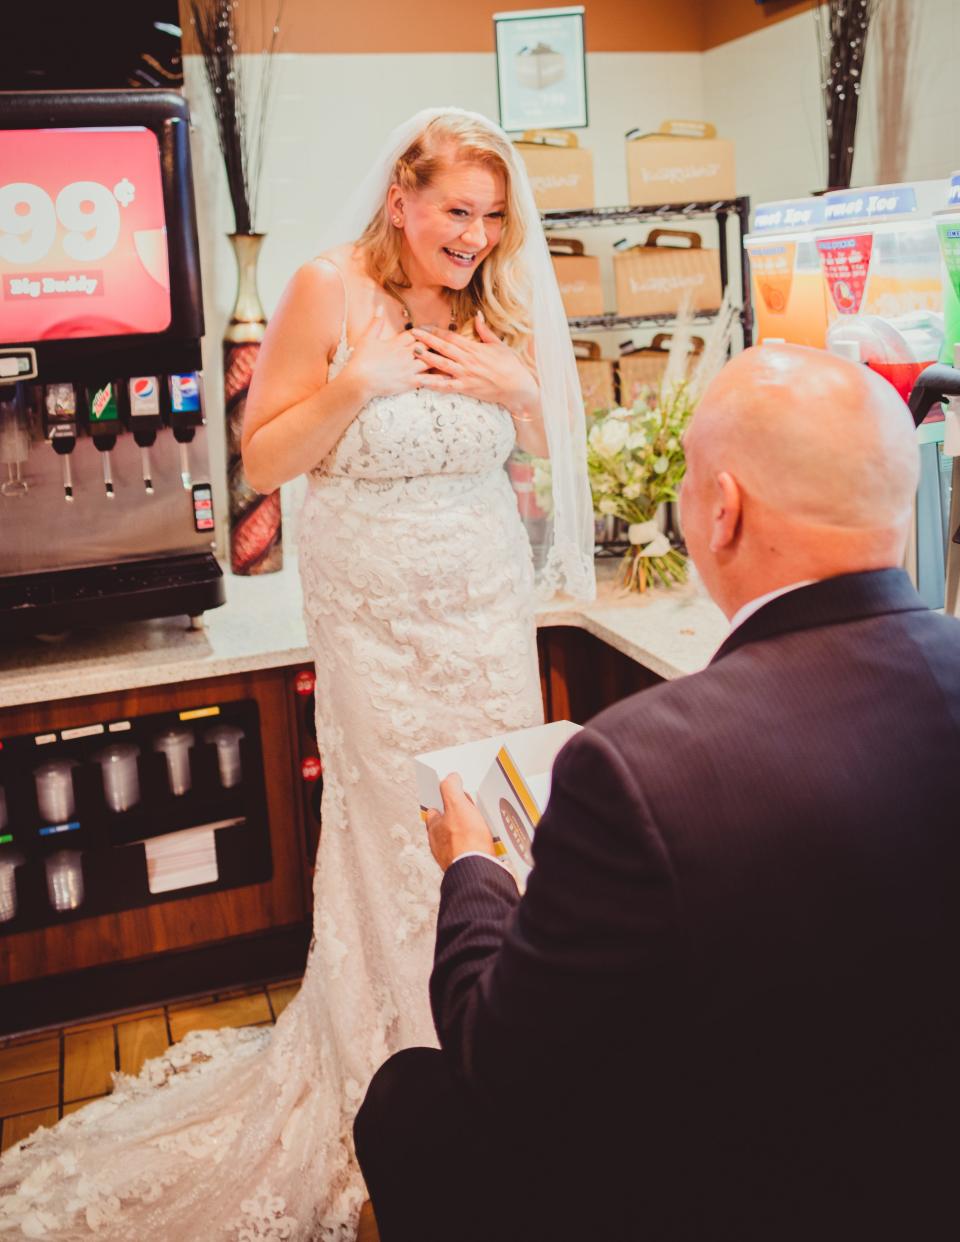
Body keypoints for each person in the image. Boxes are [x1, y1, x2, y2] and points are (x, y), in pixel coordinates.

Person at [0, 110, 593, 1239]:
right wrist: (355, 385)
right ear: (401, 202)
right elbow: (262, 463)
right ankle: (390, 1073)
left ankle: (492, 1045)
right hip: (377, 626)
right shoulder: (329, 288)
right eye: (455, 213)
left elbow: (550, 444)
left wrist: (520, 393)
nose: (473, 236)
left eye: (490, 217)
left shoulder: (496, 300)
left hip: (484, 616)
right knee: (394, 832)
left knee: (492, 830)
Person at [354, 344, 960, 1242]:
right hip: (919, 1162)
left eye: (686, 475)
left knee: (408, 1096)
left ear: (723, 512)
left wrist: (475, 866)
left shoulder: (633, 767)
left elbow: (498, 1062)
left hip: (738, 1187)